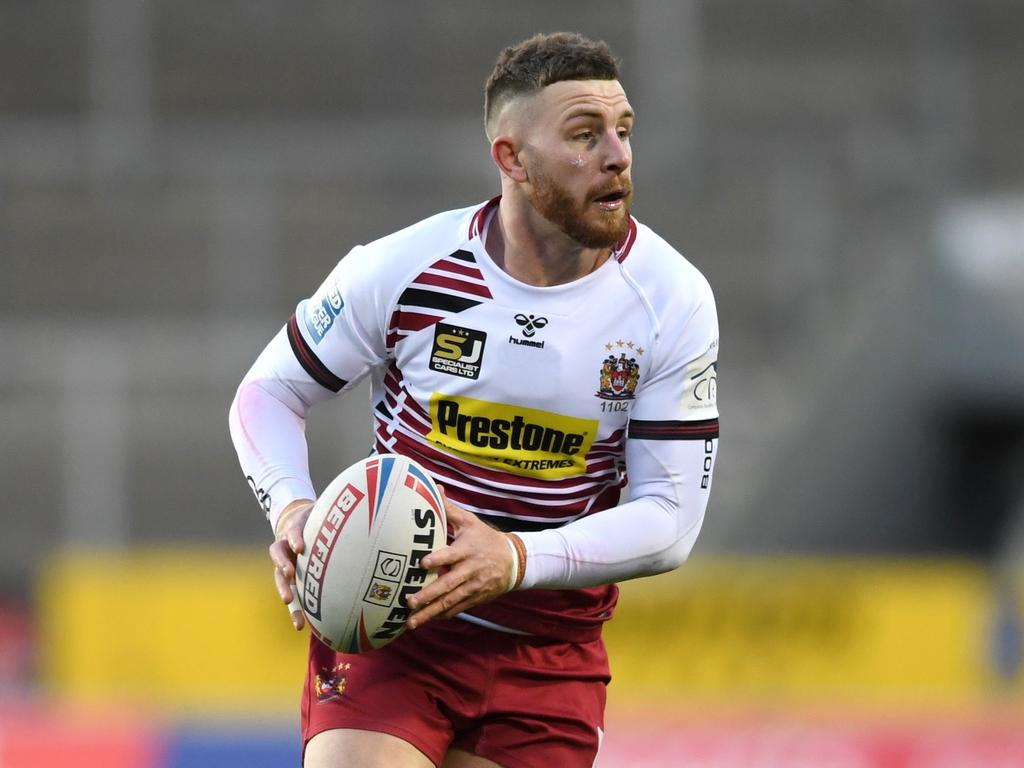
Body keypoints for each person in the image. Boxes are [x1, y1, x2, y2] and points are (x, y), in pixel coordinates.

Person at [229, 31, 719, 768]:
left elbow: (671, 522)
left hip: (547, 650)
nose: (617, 156)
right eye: (584, 136)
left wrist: (514, 559)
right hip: (395, 626)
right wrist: (293, 507)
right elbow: (268, 391)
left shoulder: (670, 300)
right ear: (512, 159)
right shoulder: (401, 269)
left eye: (623, 132)